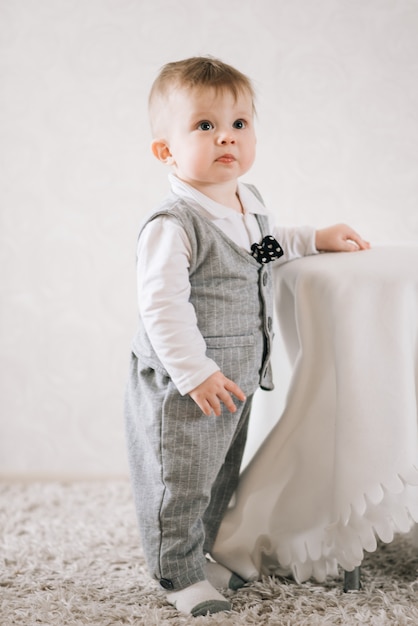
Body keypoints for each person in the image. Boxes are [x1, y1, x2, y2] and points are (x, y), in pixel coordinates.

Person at [124, 56, 370, 618]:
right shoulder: (174, 224)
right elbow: (162, 306)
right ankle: (177, 574)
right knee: (179, 480)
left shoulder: (245, 203)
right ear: (167, 151)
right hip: (188, 383)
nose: (225, 138)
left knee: (217, 475)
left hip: (232, 376)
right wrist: (194, 372)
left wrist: (314, 236)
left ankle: (200, 550)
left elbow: (261, 249)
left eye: (239, 124)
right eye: (204, 126)